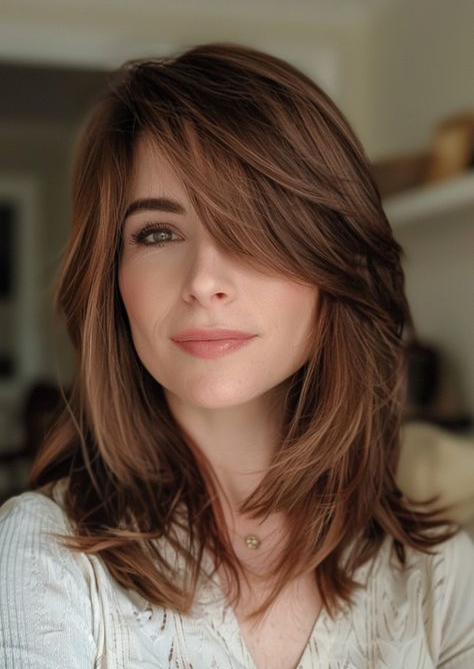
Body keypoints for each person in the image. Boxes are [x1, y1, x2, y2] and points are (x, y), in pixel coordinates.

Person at [0, 42, 473, 669]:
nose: (203, 279)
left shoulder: (440, 578)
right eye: (158, 233)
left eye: (250, 227)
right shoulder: (44, 554)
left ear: (331, 265)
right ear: (113, 280)